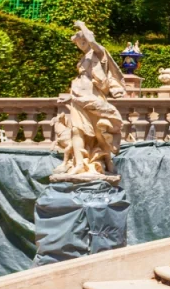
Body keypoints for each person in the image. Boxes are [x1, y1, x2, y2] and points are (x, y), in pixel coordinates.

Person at [52, 22, 128, 177]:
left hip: (94, 97)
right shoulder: (84, 57)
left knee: (99, 130)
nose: (80, 44)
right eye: (78, 42)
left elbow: (92, 41)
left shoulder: (99, 53)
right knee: (76, 130)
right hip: (78, 97)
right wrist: (69, 99)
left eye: (82, 41)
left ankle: (105, 160)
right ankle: (79, 163)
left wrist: (82, 25)